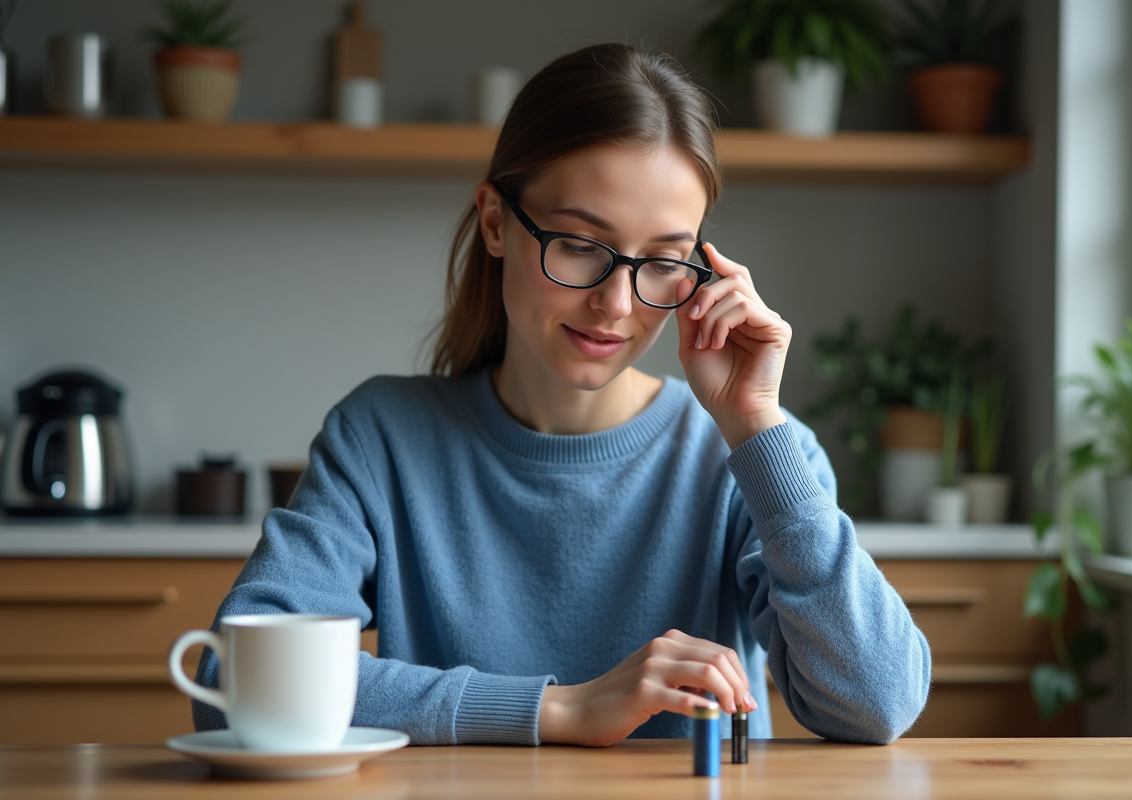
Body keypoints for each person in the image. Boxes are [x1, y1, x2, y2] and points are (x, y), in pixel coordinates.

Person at [194, 42, 931, 747]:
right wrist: (559, 709)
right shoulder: (382, 437)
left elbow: (879, 705)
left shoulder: (754, 454)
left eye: (664, 261)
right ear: (494, 222)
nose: (617, 303)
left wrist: (754, 427)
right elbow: (235, 682)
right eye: (580, 245)